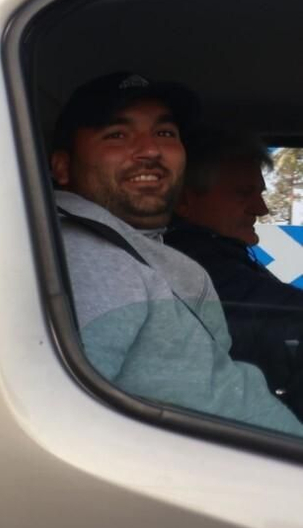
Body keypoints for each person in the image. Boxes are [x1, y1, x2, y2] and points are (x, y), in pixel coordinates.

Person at [47, 72, 302, 435]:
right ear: (62, 166)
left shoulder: (144, 252)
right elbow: (60, 426)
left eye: (165, 133)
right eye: (117, 135)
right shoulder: (89, 260)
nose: (150, 149)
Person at [165, 130, 303, 404]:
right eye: (243, 193)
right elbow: (264, 304)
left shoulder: (223, 253)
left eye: (260, 193)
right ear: (184, 201)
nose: (261, 209)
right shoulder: (193, 264)